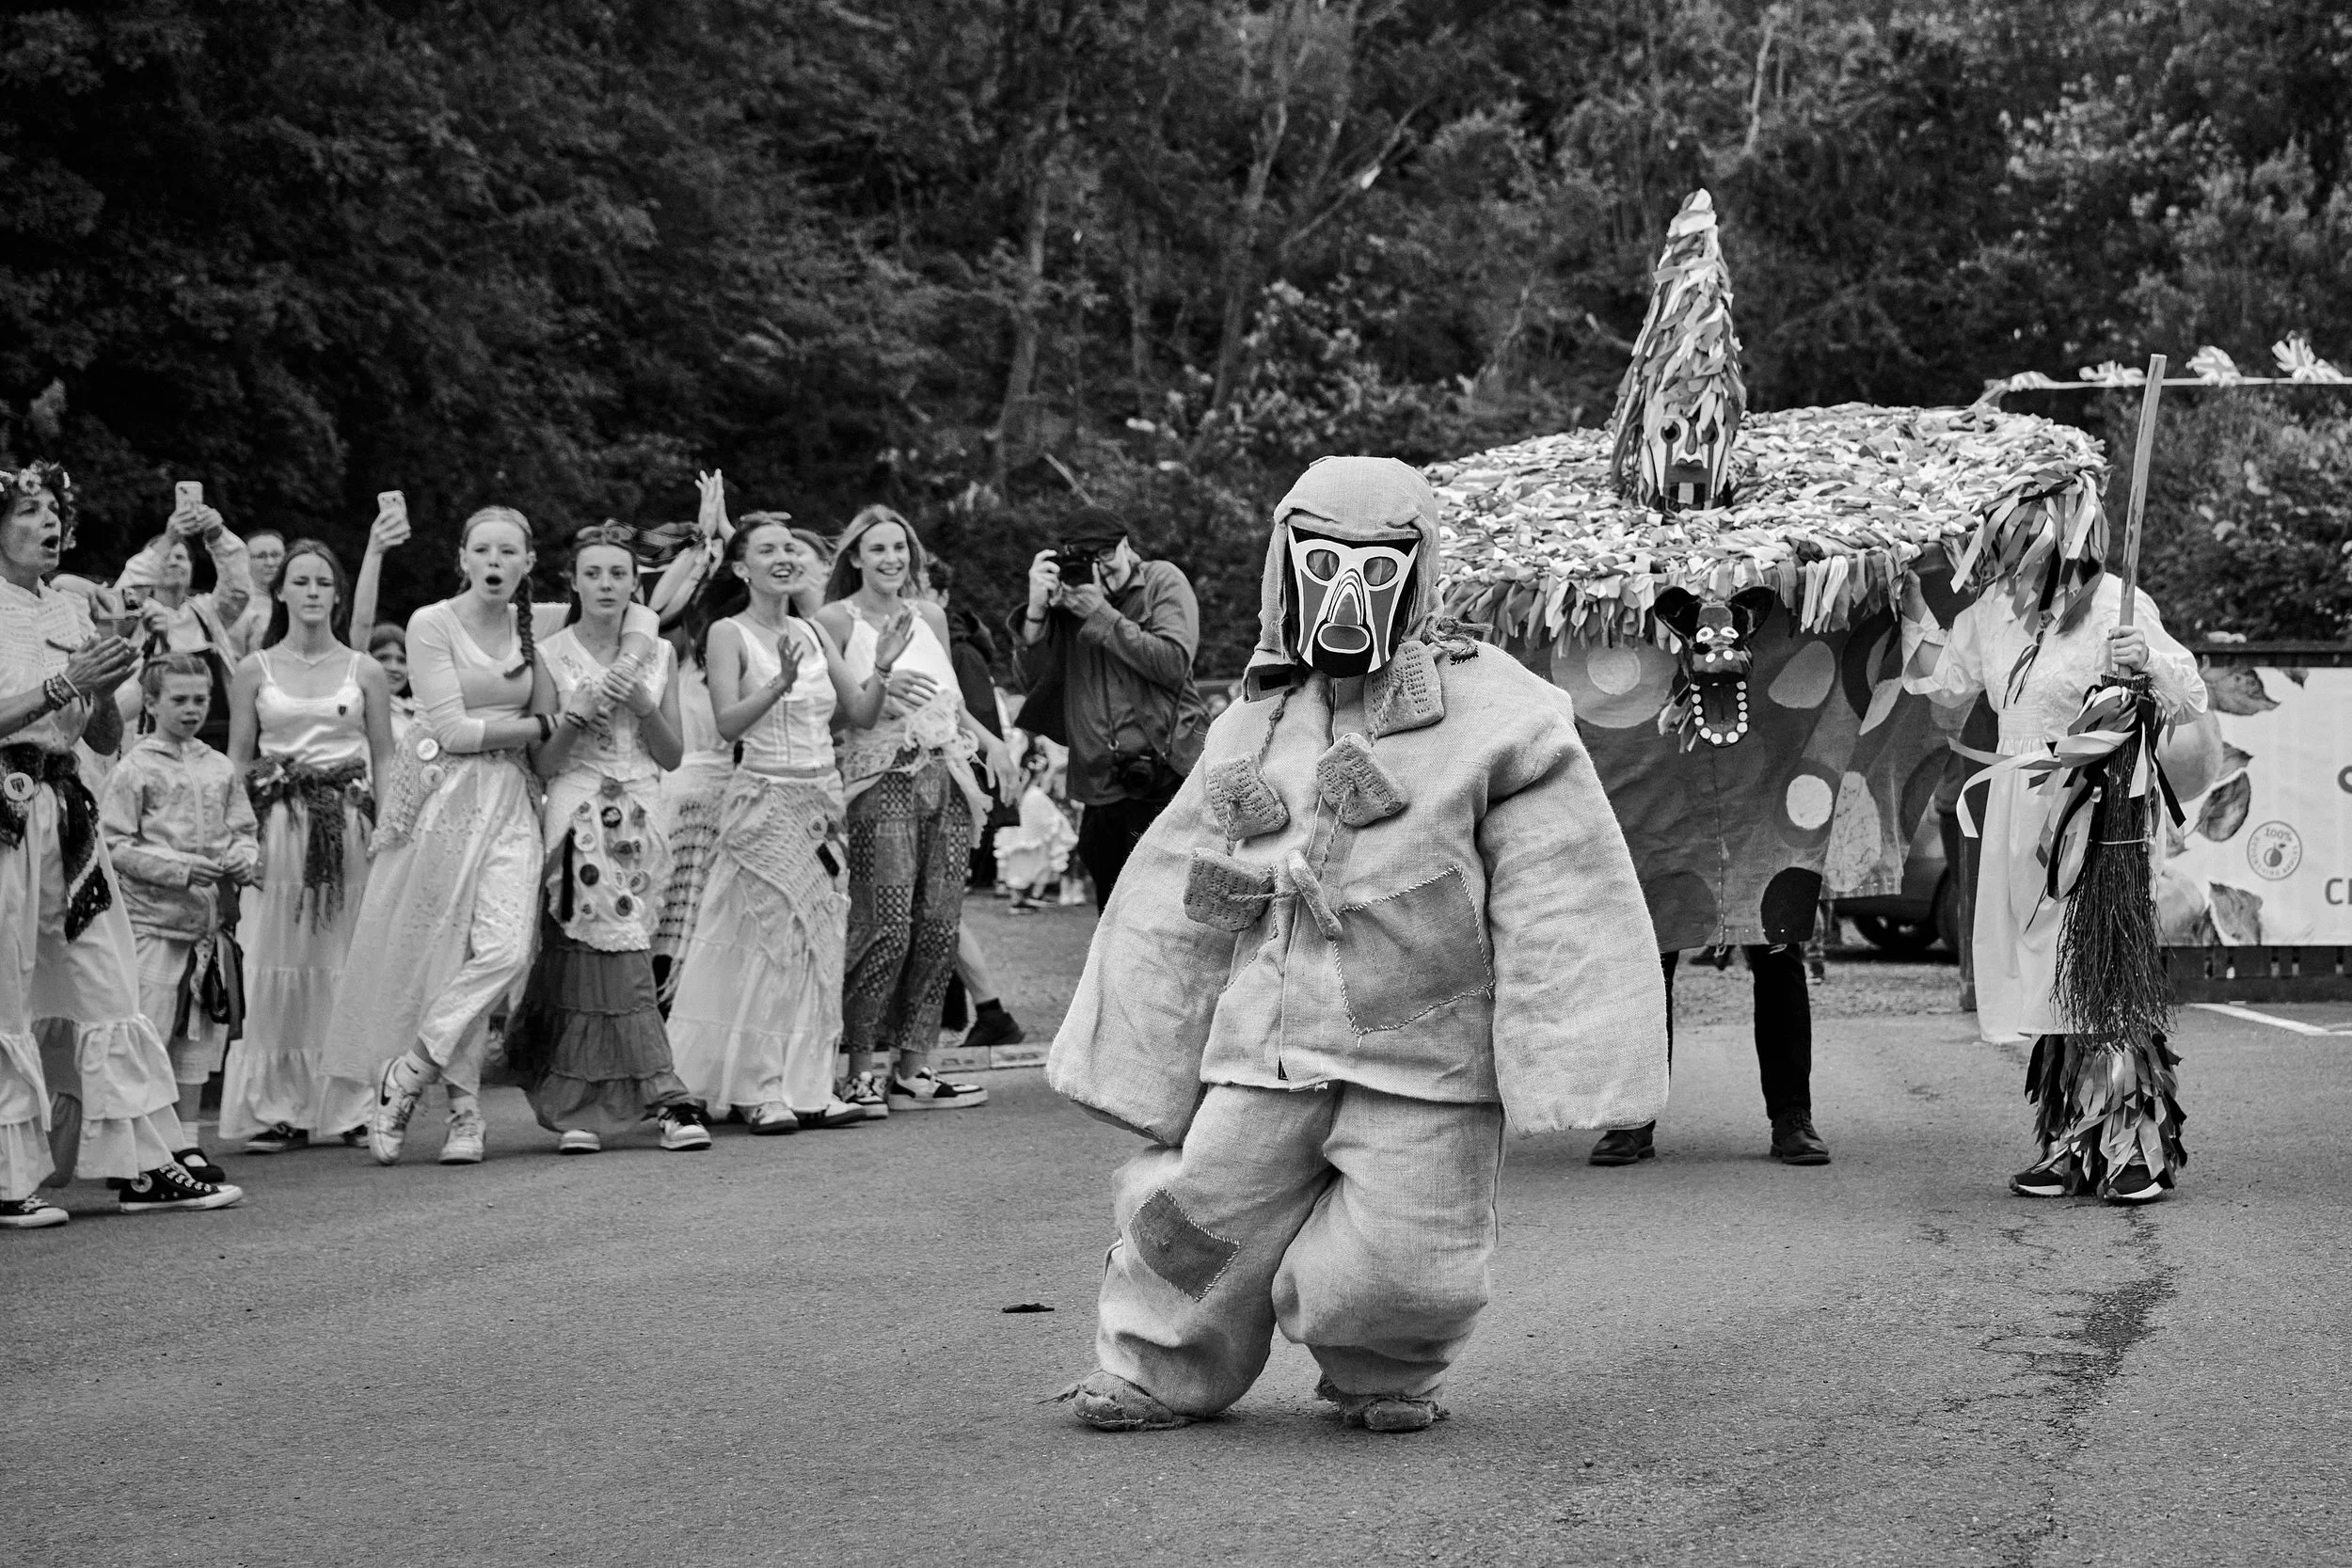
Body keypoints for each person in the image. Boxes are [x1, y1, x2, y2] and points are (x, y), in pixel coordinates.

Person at [1051, 456, 1668, 1433]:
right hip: (1267, 1046)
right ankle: (1153, 1363)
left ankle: (1379, 1360)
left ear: (1417, 574)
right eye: (1321, 564)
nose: (1344, 593)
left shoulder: (1501, 716)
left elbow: (1565, 890)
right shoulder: (1252, 721)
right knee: (1202, 1219)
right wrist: (1145, 1055)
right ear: (1284, 569)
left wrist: (1572, 1055)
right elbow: (1175, 893)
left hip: (1423, 1054)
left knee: (1411, 1262)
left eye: (1374, 570)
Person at [317, 507, 657, 1165]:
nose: (496, 561)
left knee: (501, 950)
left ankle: (409, 1071)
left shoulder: (545, 621)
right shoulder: (431, 623)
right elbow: (452, 731)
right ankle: (465, 1116)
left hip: (513, 800)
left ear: (529, 563)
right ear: (464, 559)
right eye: (483, 550)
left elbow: (638, 614)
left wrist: (635, 655)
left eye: (510, 552)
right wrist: (549, 722)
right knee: (446, 954)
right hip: (444, 797)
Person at [1900, 566, 2205, 1203]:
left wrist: (2142, 660)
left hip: (2092, 802)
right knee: (2047, 967)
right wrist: (1908, 604)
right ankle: (2071, 1138)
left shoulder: (2114, 602)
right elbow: (1948, 682)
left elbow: (2186, 694)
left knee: (2101, 959)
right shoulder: (1990, 610)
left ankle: (2131, 1143)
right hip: (2020, 807)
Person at [2, 461, 246, 1227]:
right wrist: (61, 683)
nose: (50, 526)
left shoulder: (68, 608)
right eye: (30, 512)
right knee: (4, 989)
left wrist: (105, 680)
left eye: (54, 513)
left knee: (110, 983)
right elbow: (37, 702)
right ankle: (6, 1179)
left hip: (69, 811)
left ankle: (143, 1164)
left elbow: (102, 733)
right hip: (4, 808)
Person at [665, 518, 901, 1132]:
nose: (784, 557)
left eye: (791, 548)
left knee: (818, 941)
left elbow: (860, 712)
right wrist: (779, 683)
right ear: (742, 567)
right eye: (766, 549)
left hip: (821, 800)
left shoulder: (813, 631)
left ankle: (809, 1084)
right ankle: (758, 1085)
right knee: (772, 938)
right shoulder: (728, 633)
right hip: (764, 794)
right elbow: (726, 724)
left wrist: (884, 666)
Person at [502, 523, 711, 1154]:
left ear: (635, 583)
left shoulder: (658, 653)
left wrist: (644, 704)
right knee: (603, 944)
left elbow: (673, 755)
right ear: (573, 579)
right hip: (578, 803)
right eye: (593, 572)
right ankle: (665, 1095)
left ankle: (581, 1106)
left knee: (617, 951)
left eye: (618, 573)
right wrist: (574, 715)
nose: (605, 584)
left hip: (644, 807)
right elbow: (542, 764)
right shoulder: (550, 652)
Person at [816, 506, 1014, 1115]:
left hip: (947, 776)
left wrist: (992, 739)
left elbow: (951, 703)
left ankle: (915, 1068)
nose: (891, 559)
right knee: (885, 925)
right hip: (881, 780)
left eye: (899, 548)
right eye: (877, 549)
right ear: (855, 556)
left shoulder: (928, 614)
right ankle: (858, 1070)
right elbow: (832, 714)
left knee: (938, 926)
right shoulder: (832, 619)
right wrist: (880, 685)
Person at [221, 539, 396, 1154]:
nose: (314, 591)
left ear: (338, 592)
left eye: (325, 581)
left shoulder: (364, 669)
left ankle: (348, 1103)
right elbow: (239, 759)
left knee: (345, 959)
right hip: (280, 824)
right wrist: (238, 836)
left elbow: (385, 754)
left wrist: (391, 827)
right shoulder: (254, 669)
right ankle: (278, 1106)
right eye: (302, 581)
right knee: (277, 956)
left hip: (348, 823)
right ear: (283, 591)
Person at [100, 654, 262, 1183]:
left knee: (197, 1036)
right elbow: (115, 844)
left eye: (201, 700)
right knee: (149, 1032)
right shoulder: (135, 768)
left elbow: (243, 829)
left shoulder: (218, 766)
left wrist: (243, 858)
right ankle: (141, 1146)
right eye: (179, 700)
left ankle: (185, 1142)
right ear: (150, 703)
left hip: (207, 927)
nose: (192, 710)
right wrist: (177, 870)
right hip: (153, 924)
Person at [1009, 507, 1205, 909]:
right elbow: (1032, 683)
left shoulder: (1161, 580)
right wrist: (1036, 610)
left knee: (1167, 914)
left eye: (1106, 556)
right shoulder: (1064, 602)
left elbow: (1172, 664)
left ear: (1126, 546)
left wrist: (1100, 612)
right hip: (1100, 786)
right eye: (1085, 560)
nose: (1099, 571)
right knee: (1112, 918)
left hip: (1166, 772)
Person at [926, 556, 1025, 1051]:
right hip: (956, 785)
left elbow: (970, 718)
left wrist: (990, 790)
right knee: (938, 908)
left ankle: (986, 1011)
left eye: (921, 587)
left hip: (958, 788)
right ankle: (969, 1011)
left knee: (942, 907)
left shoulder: (959, 651)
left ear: (941, 597)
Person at [111, 493, 254, 751]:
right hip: (149, 743)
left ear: (191, 569)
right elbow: (125, 596)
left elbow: (239, 590)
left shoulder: (208, 612)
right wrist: (169, 539)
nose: (174, 560)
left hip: (213, 741)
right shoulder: (135, 614)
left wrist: (217, 537)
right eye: (168, 556)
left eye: (182, 556)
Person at [993, 741, 1076, 911]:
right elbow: (1050, 818)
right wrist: (1058, 825)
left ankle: (1023, 898)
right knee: (1028, 869)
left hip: (1022, 841)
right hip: (1027, 842)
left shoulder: (1023, 795)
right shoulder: (1035, 795)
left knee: (1026, 870)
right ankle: (1020, 900)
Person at [226, 530, 287, 658]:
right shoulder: (238, 606)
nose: (270, 563)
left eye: (276, 555)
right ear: (245, 561)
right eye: (261, 556)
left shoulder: (298, 600)